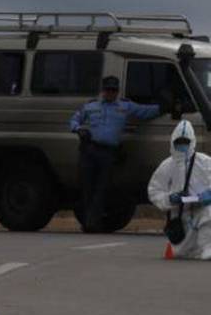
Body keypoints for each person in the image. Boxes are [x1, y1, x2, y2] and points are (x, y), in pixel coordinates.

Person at [69, 75, 163, 233]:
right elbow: (74, 120)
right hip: (89, 150)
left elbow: (146, 112)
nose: (111, 93)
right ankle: (88, 221)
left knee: (102, 188)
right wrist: (79, 130)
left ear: (118, 91)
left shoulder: (125, 106)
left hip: (108, 153)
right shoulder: (91, 106)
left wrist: (164, 107)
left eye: (114, 90)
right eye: (108, 89)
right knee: (87, 187)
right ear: (103, 90)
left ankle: (92, 223)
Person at [148, 120, 211, 259]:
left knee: (209, 213)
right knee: (180, 253)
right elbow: (154, 190)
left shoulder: (205, 162)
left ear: (192, 141)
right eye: (179, 141)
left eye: (185, 141)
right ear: (172, 142)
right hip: (179, 216)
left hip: (202, 209)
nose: (182, 145)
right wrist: (169, 198)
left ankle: (208, 247)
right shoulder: (167, 165)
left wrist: (208, 195)